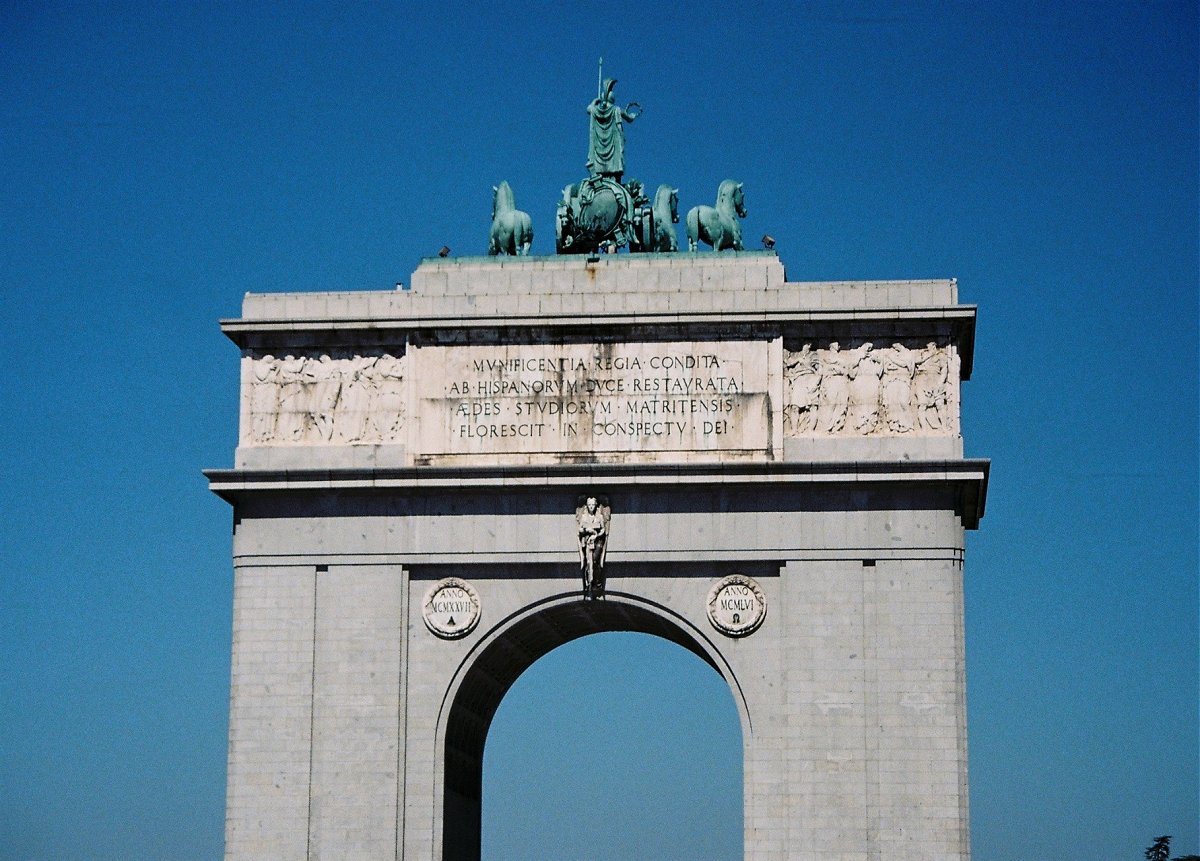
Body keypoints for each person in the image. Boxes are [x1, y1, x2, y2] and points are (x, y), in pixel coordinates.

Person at [587, 79, 639, 180]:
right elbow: (630, 118)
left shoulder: (596, 110)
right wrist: (633, 115)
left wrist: (594, 102)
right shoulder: (617, 110)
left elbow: (588, 108)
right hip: (613, 152)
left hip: (598, 152)